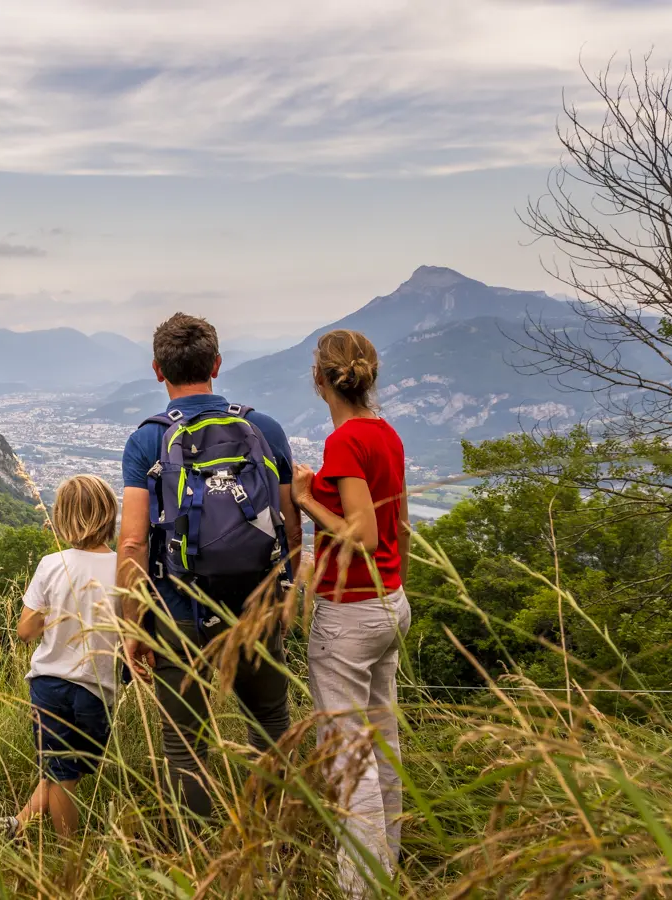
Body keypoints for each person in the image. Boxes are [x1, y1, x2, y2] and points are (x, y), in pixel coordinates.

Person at [117, 313, 304, 821]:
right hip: (257, 605)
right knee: (270, 726)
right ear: (217, 364)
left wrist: (134, 625)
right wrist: (286, 596)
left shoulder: (148, 440)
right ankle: (272, 843)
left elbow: (132, 542)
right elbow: (290, 527)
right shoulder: (264, 429)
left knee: (185, 748)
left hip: (180, 612)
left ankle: (196, 854)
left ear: (158, 370)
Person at [290, 329, 410, 898]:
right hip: (390, 602)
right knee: (382, 741)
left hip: (351, 613)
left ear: (320, 379)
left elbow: (363, 534)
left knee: (347, 756)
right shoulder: (386, 434)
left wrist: (305, 499)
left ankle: (360, 886)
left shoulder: (344, 443)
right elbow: (398, 526)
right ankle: (387, 865)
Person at [0, 474, 120, 841]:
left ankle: (61, 853)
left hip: (48, 684)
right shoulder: (124, 568)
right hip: (97, 687)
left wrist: (54, 613)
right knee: (66, 771)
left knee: (61, 771)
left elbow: (25, 631)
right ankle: (38, 837)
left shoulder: (52, 564)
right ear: (110, 515)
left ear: (62, 518)